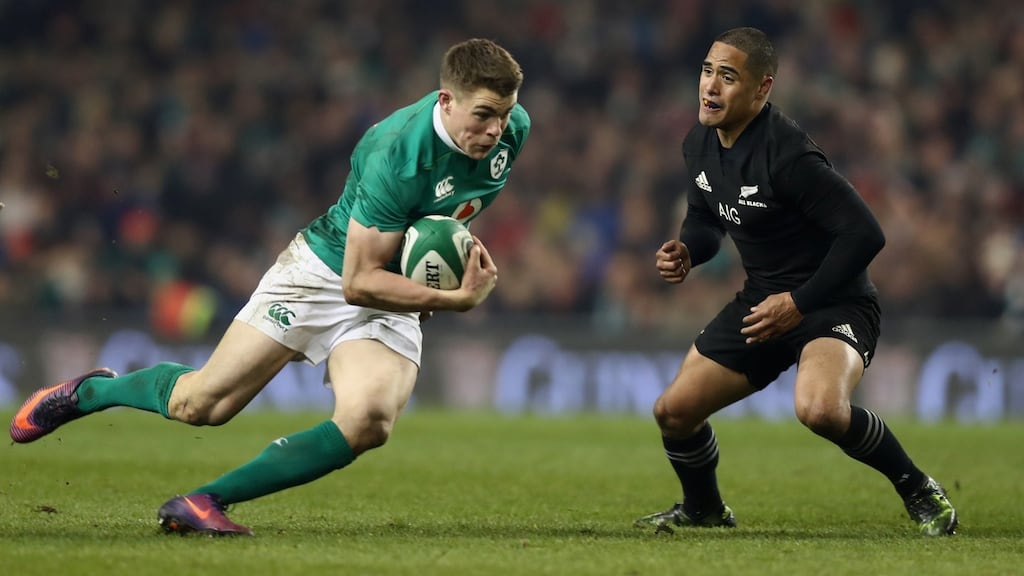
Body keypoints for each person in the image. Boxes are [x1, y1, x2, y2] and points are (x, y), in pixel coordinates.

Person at [10, 38, 530, 536]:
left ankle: (203, 501)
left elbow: (452, 205)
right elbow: (357, 281)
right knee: (202, 406)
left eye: (504, 113)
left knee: (369, 420)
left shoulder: (513, 130)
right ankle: (90, 392)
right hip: (324, 273)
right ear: (446, 100)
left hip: (385, 289)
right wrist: (451, 298)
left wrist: (428, 271)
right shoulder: (395, 154)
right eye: (483, 114)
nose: (495, 129)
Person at [634, 27, 957, 536]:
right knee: (673, 412)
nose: (710, 87)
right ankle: (705, 510)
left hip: (835, 302)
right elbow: (706, 219)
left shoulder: (788, 156)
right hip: (764, 303)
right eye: (706, 71)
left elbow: (865, 234)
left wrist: (801, 302)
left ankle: (919, 489)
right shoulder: (698, 142)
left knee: (820, 409)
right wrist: (688, 251)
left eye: (728, 77)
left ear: (762, 89)